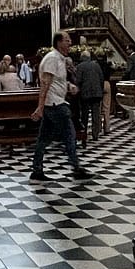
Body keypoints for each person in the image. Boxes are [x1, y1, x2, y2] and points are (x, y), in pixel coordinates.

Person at [30, 30, 88, 182]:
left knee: (43, 138)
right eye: (67, 40)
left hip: (53, 102)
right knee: (70, 135)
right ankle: (76, 169)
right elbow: (45, 83)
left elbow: (57, 81)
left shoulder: (60, 59)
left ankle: (37, 170)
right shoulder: (52, 59)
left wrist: (69, 86)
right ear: (59, 42)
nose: (70, 43)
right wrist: (40, 107)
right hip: (55, 104)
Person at [75, 50, 105, 146]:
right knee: (96, 114)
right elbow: (101, 78)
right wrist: (100, 89)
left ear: (82, 58)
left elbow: (78, 80)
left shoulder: (80, 66)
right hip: (96, 93)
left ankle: (84, 134)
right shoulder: (96, 65)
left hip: (85, 94)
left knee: (85, 115)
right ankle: (95, 134)